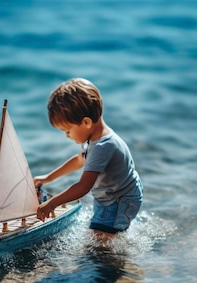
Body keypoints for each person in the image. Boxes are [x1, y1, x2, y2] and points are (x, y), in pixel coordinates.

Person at [34, 78, 143, 238]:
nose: (66, 136)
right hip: (109, 195)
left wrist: (51, 203)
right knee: (99, 232)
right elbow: (79, 160)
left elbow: (83, 186)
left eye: (67, 130)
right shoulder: (92, 139)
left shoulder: (103, 147)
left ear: (86, 122)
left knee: (103, 242)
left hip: (120, 199)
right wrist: (48, 178)